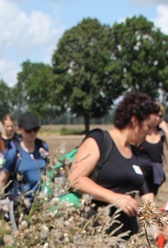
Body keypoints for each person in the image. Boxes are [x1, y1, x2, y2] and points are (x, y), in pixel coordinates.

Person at [68, 91, 161, 239]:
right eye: (148, 127)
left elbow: (146, 193)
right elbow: (75, 179)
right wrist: (114, 197)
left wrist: (156, 228)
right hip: (95, 236)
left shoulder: (136, 152)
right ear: (134, 121)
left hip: (125, 239)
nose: (150, 133)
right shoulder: (99, 140)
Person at [0, 112, 49, 214]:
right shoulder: (13, 152)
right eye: (28, 130)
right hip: (19, 205)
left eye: (35, 129)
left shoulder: (43, 148)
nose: (32, 133)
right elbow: (3, 179)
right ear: (20, 129)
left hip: (40, 204)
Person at [136, 101, 168, 202]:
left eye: (160, 116)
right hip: (142, 171)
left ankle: (144, 216)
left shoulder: (161, 133)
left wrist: (166, 130)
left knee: (150, 200)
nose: (157, 119)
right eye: (155, 115)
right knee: (149, 201)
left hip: (156, 172)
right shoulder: (141, 131)